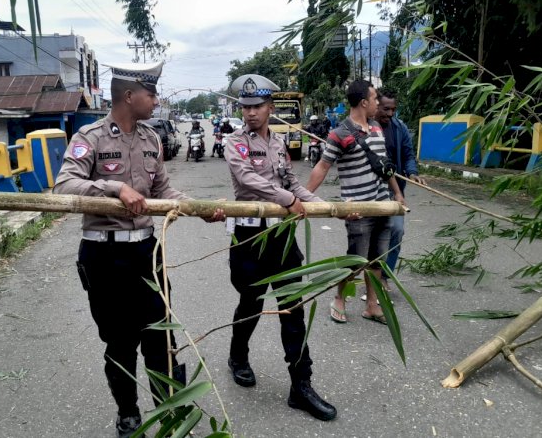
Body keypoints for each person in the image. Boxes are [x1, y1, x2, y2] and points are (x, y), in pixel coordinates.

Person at [53, 62, 224, 438]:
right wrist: (114, 188)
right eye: (151, 94)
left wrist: (198, 209)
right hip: (104, 257)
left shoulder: (152, 139)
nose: (156, 100)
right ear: (130, 96)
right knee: (119, 341)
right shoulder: (90, 137)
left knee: (161, 337)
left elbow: (163, 190)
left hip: (147, 252)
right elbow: (64, 186)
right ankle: (128, 414)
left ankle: (172, 413)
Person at [224, 73, 337, 422]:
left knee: (293, 307)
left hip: (282, 237)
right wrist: (288, 199)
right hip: (250, 236)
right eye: (245, 107)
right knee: (251, 302)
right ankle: (238, 356)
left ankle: (300, 385)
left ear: (270, 108)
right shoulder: (235, 142)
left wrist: (319, 205)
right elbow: (247, 178)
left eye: (257, 106)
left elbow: (291, 183)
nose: (250, 113)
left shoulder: (278, 143)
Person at [306, 80, 405, 325]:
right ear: (363, 102)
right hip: (358, 209)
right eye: (374, 99)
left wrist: (397, 194)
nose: (377, 103)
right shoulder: (340, 134)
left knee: (376, 260)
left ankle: (372, 305)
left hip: (382, 205)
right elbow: (323, 166)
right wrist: (304, 198)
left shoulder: (376, 128)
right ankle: (339, 298)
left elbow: (385, 165)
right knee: (356, 261)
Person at [376, 89, 426, 287]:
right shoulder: (366, 128)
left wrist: (412, 172)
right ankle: (367, 276)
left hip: (394, 191)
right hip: (371, 190)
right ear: (375, 105)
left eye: (393, 109)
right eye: (386, 109)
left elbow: (408, 154)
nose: (390, 114)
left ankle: (384, 277)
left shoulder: (400, 128)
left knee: (396, 231)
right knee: (370, 235)